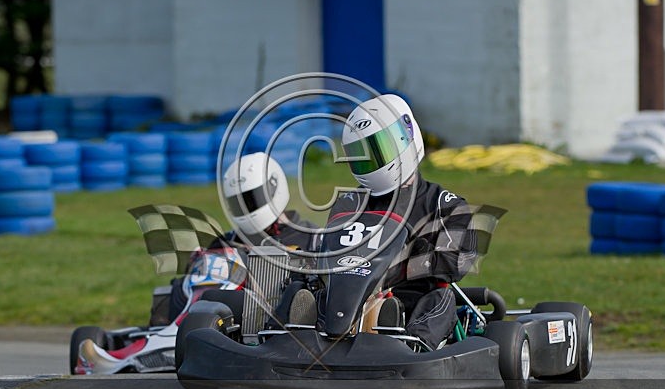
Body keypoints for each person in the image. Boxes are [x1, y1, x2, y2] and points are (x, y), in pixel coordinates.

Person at [325, 93, 477, 349]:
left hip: (412, 299)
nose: (372, 161)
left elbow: (458, 261)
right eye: (363, 155)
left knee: (441, 297)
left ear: (406, 137)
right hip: (350, 299)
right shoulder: (349, 204)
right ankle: (297, 338)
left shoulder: (444, 204)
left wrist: (414, 257)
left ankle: (412, 346)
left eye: (379, 150)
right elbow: (327, 249)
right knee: (305, 290)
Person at [167, 152, 317, 320]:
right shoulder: (224, 243)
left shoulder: (312, 238)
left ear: (275, 187)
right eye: (239, 203)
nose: (247, 208)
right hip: (227, 321)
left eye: (253, 200)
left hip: (283, 319)